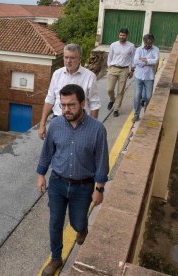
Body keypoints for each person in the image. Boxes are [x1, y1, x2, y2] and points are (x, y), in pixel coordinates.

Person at [36, 84, 109, 276]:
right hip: (58, 183)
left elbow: (102, 161)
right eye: (63, 105)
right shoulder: (56, 125)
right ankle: (55, 259)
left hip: (83, 187)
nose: (66, 110)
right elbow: (47, 153)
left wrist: (99, 189)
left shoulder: (97, 129)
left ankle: (81, 229)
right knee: (55, 223)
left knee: (78, 223)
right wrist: (41, 175)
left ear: (83, 104)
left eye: (71, 105)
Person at [38, 44, 100, 140]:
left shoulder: (90, 76)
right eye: (66, 57)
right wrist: (42, 125)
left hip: (80, 122)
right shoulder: (57, 74)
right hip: (58, 119)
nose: (68, 61)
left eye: (72, 58)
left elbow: (94, 104)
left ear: (79, 59)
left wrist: (92, 129)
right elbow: (50, 99)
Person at [107, 28, 135, 117]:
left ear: (127, 36)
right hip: (113, 68)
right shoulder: (113, 45)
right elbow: (110, 57)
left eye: (123, 35)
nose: (121, 37)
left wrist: (132, 70)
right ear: (118, 35)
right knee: (109, 89)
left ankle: (116, 109)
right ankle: (112, 99)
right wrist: (109, 67)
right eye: (120, 35)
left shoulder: (131, 46)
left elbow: (133, 59)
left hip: (124, 70)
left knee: (120, 91)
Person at [132, 34, 159, 122]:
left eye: (150, 43)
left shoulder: (156, 49)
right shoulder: (139, 49)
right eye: (146, 43)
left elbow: (156, 61)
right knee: (137, 96)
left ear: (152, 42)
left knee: (149, 96)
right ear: (144, 42)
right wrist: (147, 62)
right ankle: (136, 115)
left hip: (149, 77)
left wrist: (145, 60)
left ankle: (146, 113)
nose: (148, 45)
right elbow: (136, 61)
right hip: (138, 76)